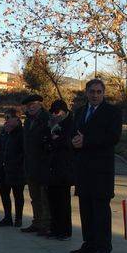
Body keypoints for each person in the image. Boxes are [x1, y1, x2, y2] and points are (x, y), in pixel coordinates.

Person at [70, 79, 122, 253]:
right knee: (85, 208)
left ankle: (103, 247)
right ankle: (89, 243)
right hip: (83, 169)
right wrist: (74, 141)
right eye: (92, 91)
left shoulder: (112, 112)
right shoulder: (80, 111)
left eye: (99, 92)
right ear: (86, 92)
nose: (95, 95)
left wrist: (87, 141)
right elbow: (74, 132)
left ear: (104, 93)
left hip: (101, 170)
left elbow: (113, 137)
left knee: (101, 211)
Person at [21, 94, 51, 235]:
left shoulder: (47, 119)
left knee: (44, 197)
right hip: (30, 164)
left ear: (40, 104)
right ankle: (37, 222)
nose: (31, 107)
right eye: (28, 105)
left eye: (34, 104)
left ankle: (46, 225)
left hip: (43, 164)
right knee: (35, 198)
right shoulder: (28, 121)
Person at [45, 99, 74, 240]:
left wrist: (56, 139)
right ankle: (55, 228)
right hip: (52, 166)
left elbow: (68, 143)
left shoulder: (70, 124)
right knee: (53, 199)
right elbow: (47, 141)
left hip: (65, 167)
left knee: (63, 201)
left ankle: (65, 230)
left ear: (65, 112)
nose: (54, 115)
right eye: (53, 112)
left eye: (57, 112)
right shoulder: (52, 123)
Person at [0, 108, 26, 227]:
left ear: (17, 119)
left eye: (8, 118)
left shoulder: (21, 133)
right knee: (4, 194)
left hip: (16, 169)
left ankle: (19, 218)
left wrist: (17, 163)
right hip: (3, 169)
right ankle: (7, 217)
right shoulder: (4, 131)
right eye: (5, 118)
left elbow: (24, 152)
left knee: (18, 195)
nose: (5, 121)